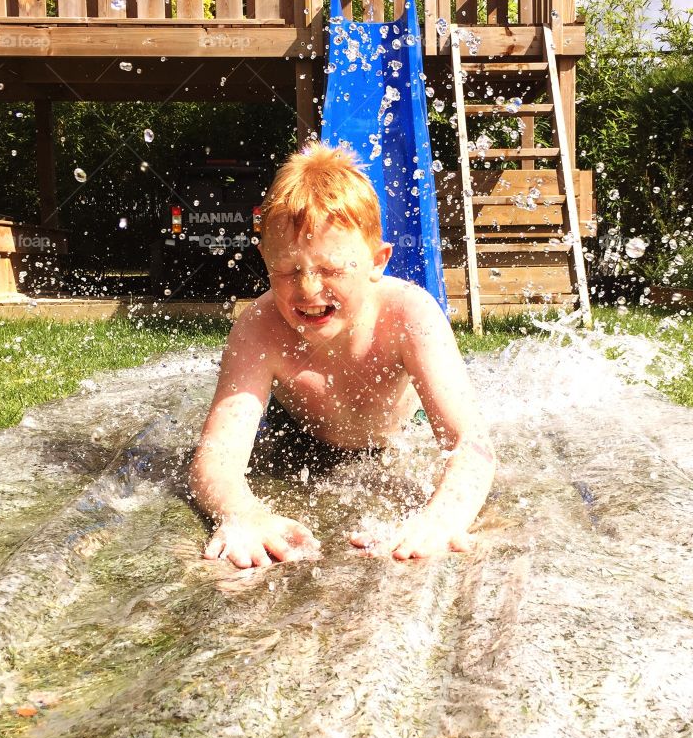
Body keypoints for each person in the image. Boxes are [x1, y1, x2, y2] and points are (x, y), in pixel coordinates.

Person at [189, 143, 495, 568]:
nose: (309, 290)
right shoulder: (258, 329)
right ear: (265, 260)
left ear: (377, 261)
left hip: (400, 432)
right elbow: (215, 458)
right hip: (296, 432)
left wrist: (441, 519)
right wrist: (242, 512)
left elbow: (471, 443)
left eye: (331, 270)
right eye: (287, 271)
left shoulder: (409, 314)